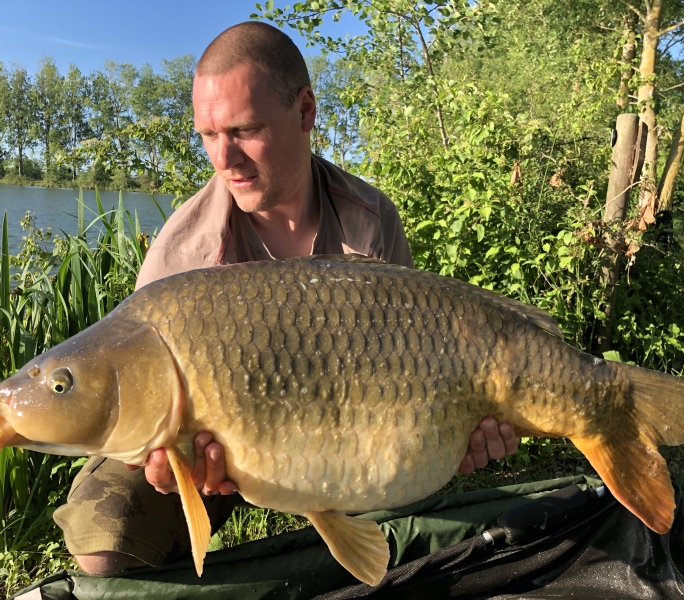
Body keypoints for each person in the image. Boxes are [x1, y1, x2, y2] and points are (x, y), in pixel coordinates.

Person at [54, 21, 518, 577]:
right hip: (214, 442)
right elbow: (144, 413)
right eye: (208, 134)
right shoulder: (181, 255)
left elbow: (415, 363)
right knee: (104, 538)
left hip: (347, 425)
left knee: (411, 514)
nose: (223, 158)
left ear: (304, 112)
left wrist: (461, 429)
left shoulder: (369, 220)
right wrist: (165, 467)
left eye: (244, 130)